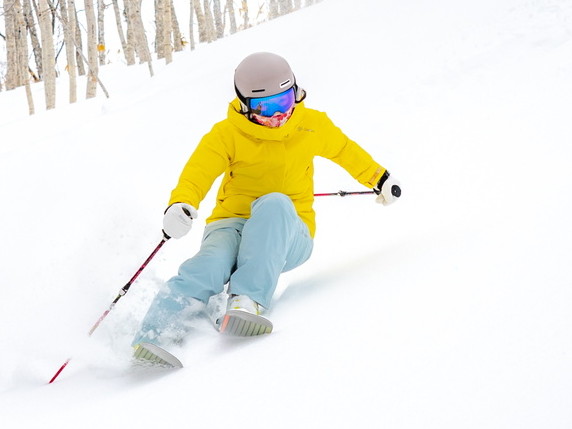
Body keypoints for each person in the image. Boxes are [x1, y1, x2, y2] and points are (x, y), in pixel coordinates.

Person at [132, 51, 401, 366]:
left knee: (274, 203)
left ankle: (248, 300)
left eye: (285, 101)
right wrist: (181, 204)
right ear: (245, 106)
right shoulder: (227, 134)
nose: (279, 114)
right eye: (267, 107)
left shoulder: (312, 125)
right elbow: (198, 172)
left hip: (289, 234)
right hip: (231, 224)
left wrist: (379, 178)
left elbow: (345, 151)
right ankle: (155, 333)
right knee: (209, 264)